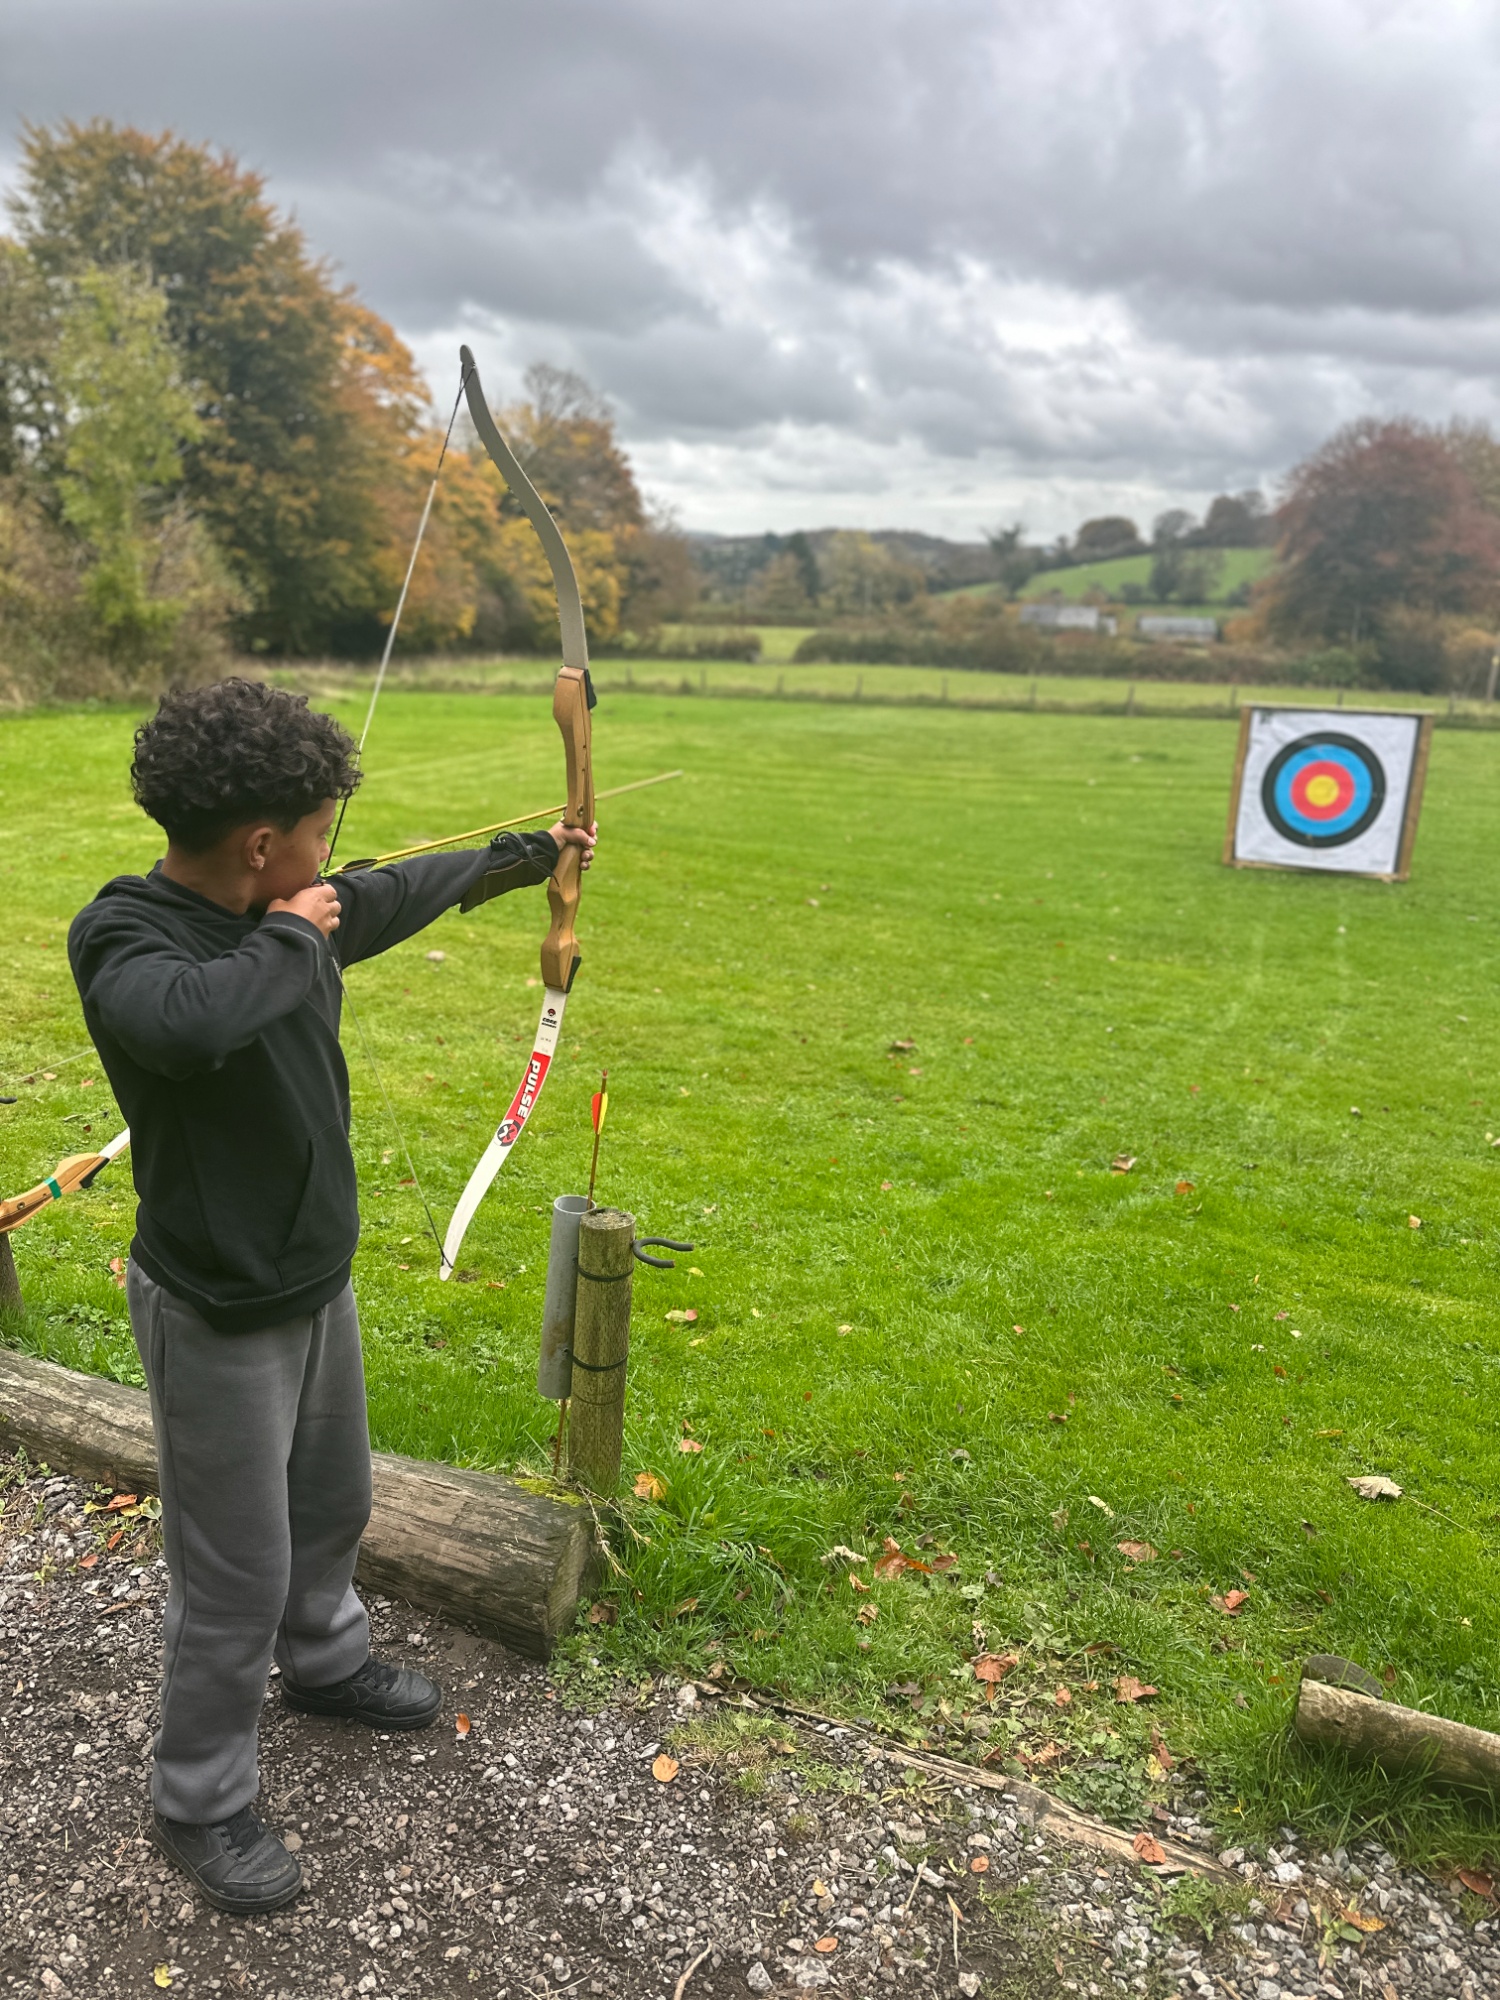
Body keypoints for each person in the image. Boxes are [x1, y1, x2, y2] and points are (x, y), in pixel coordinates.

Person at [67, 678, 595, 1914]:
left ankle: (326, 1659)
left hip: (313, 1276)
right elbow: (193, 1025)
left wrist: (529, 856)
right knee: (230, 1567)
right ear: (262, 844)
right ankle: (197, 1791)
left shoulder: (287, 910)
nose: (332, 856)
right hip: (215, 1304)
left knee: (333, 1498)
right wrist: (302, 927)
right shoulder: (128, 938)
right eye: (315, 832)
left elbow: (392, 888)